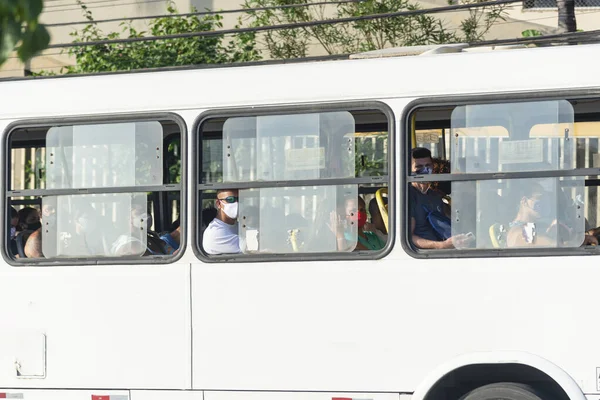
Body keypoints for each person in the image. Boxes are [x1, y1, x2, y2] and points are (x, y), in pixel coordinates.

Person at [409, 147, 471, 249]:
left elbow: (443, 226)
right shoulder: (409, 196)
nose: (425, 170)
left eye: (428, 165)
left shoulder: (434, 197)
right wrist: (442, 245)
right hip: (422, 254)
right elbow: (408, 237)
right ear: (409, 170)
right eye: (419, 167)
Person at [507, 184, 597, 247]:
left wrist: (585, 235)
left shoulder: (537, 226)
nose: (544, 202)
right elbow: (556, 247)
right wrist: (581, 240)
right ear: (524, 201)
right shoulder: (517, 234)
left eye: (545, 198)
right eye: (539, 198)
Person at [202, 189, 241, 255]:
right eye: (230, 199)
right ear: (218, 204)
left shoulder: (239, 225)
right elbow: (252, 246)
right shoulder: (215, 233)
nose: (236, 203)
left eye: (239, 199)